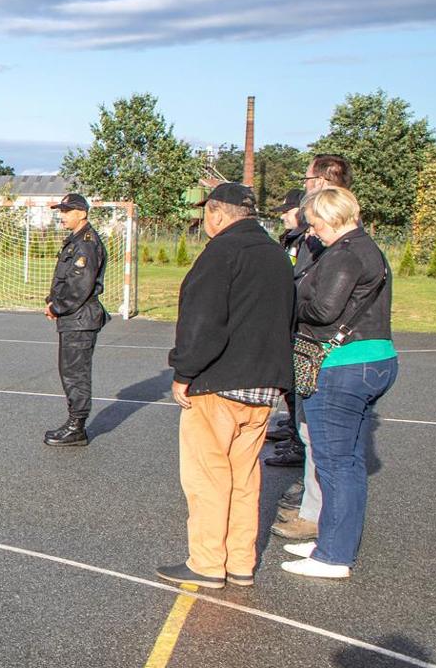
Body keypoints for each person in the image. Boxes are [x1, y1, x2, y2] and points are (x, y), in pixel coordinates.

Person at [156, 182, 293, 589]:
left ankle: (208, 562)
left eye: (206, 214)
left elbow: (202, 322)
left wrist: (183, 372)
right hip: (264, 385)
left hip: (219, 383)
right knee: (244, 477)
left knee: (207, 476)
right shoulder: (277, 254)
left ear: (216, 213)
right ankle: (241, 561)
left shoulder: (221, 252)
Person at [280, 186, 396, 580]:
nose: (312, 232)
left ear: (332, 219)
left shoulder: (345, 254)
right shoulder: (369, 249)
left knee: (335, 464)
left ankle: (333, 555)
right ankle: (333, 541)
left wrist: (291, 301)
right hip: (375, 358)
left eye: (315, 225)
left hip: (341, 365)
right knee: (348, 462)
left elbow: (324, 310)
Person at [271, 154, 356, 537]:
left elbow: (323, 304)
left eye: (307, 180)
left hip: (326, 351)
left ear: (321, 182)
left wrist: (288, 306)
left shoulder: (343, 244)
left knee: (324, 439)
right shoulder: (322, 238)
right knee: (310, 432)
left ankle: (321, 520)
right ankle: (313, 506)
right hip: (311, 345)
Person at [42, 193, 108, 447]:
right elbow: (65, 279)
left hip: (80, 317)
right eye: (61, 211)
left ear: (81, 213)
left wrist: (57, 307)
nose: (62, 216)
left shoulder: (86, 244)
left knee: (75, 373)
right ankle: (75, 423)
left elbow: (79, 285)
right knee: (69, 370)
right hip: (75, 317)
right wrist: (52, 301)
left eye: (67, 211)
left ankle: (76, 427)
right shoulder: (76, 240)